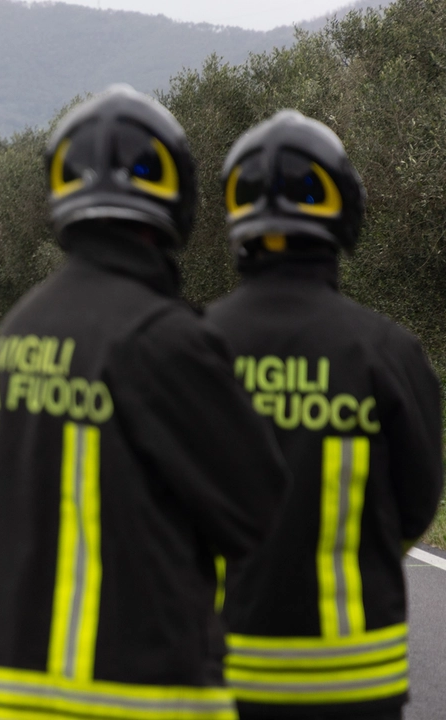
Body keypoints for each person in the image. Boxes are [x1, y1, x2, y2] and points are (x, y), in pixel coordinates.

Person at [0, 85, 290, 720]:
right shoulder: (164, 339)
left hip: (0, 692)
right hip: (139, 693)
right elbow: (259, 511)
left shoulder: (14, 336)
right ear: (177, 197)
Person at [205, 111, 442, 720]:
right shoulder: (389, 351)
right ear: (345, 211)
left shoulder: (194, 346)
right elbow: (418, 504)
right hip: (358, 675)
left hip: (226, 671)